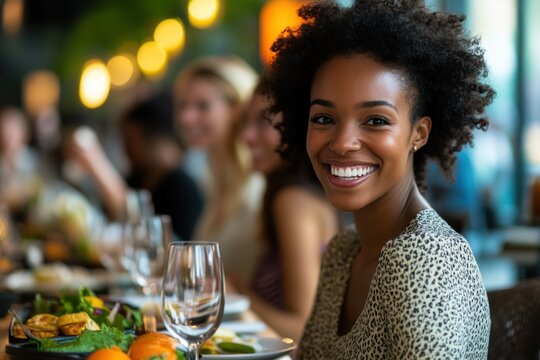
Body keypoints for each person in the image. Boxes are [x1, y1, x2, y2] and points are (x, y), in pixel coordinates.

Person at [262, 0, 494, 358]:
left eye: (376, 120)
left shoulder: (425, 259)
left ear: (418, 133)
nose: (342, 143)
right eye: (324, 119)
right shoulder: (344, 253)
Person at [233, 87, 337, 342]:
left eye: (263, 122)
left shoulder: (292, 201)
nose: (246, 136)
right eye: (246, 122)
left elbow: (303, 329)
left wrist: (236, 294)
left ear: (297, 126)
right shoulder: (292, 194)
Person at [174, 55, 264, 283]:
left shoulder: (258, 185)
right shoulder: (210, 178)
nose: (186, 118)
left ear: (237, 108)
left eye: (202, 106)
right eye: (183, 105)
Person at [68, 91, 203, 240]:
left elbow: (170, 248)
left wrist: (95, 163)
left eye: (132, 140)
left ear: (159, 141)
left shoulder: (183, 187)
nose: (126, 148)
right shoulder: (137, 178)